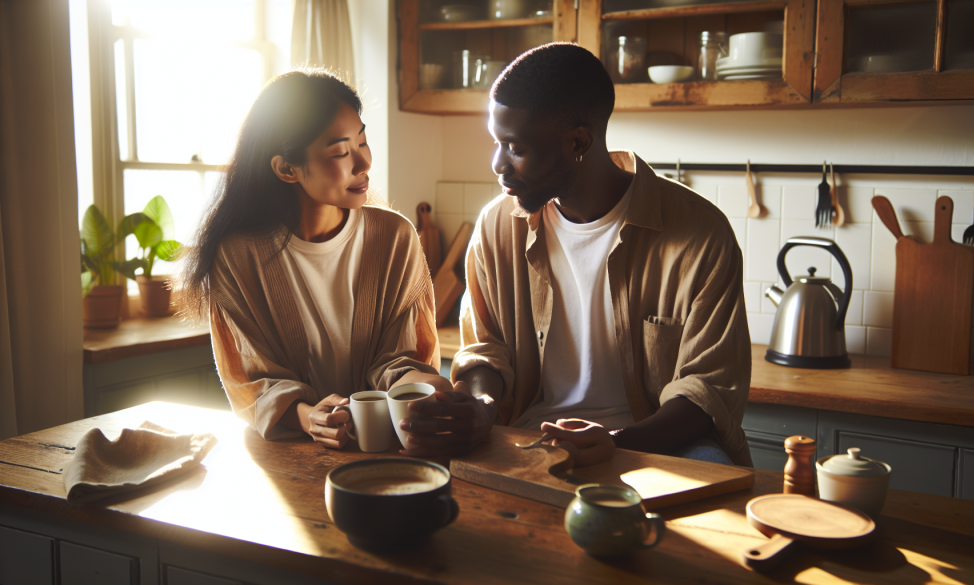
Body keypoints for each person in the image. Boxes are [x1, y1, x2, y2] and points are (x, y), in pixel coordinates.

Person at [400, 43, 753, 467]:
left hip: (654, 440)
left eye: (514, 147)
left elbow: (706, 391)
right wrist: (480, 405)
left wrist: (615, 443)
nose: (497, 164)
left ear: (578, 143)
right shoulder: (498, 226)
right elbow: (485, 351)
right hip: (528, 434)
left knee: (713, 470)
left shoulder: (700, 234)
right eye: (496, 142)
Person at [176, 69, 451, 447]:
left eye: (363, 142)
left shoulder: (395, 238)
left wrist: (428, 389)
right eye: (340, 151)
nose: (363, 163)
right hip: (289, 452)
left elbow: (403, 360)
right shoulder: (238, 255)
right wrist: (310, 417)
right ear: (286, 168)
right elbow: (252, 382)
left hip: (384, 448)